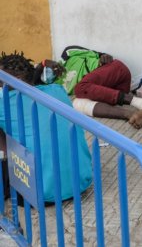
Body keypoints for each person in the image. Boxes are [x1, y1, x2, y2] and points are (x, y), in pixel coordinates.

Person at [0, 51, 93, 202]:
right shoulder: (57, 90)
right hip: (80, 182)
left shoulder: (3, 104)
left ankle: (6, 182)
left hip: (38, 194)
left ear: (15, 80)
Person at [35, 46, 142, 129]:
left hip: (115, 70)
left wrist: (45, 62)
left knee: (80, 88)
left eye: (47, 70)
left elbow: (103, 55)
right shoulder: (60, 87)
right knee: (77, 104)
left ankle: (141, 102)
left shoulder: (67, 54)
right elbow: (32, 82)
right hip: (116, 90)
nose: (50, 73)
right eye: (45, 77)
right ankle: (131, 114)